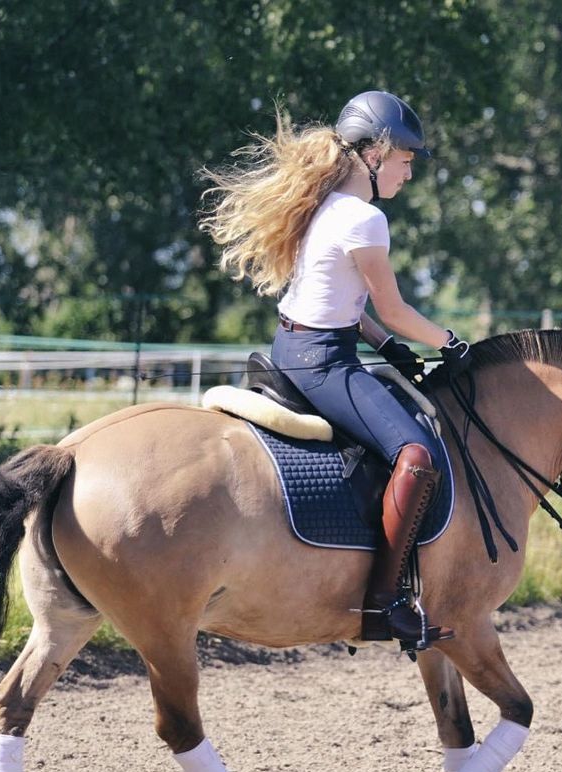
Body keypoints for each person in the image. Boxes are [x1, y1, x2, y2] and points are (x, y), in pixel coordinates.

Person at [199, 90, 471, 648]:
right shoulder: (365, 219)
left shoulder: (324, 206)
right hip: (324, 364)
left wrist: (386, 344)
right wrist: (452, 342)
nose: (408, 174)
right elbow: (394, 308)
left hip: (294, 350)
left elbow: (350, 305)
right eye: (405, 161)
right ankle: (384, 604)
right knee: (417, 457)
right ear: (374, 154)